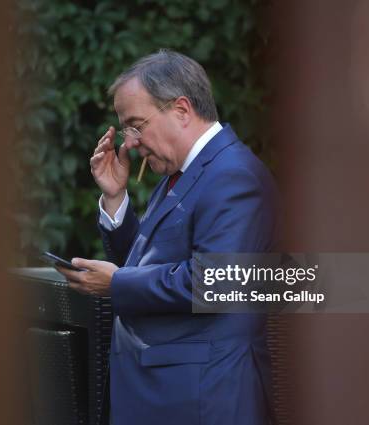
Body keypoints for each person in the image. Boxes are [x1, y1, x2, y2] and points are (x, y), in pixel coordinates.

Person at [56, 50, 278, 425]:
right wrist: (115, 198)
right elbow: (147, 265)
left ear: (181, 109)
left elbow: (213, 283)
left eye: (137, 124)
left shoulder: (233, 176)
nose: (131, 142)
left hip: (203, 399)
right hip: (167, 392)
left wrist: (116, 283)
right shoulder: (180, 174)